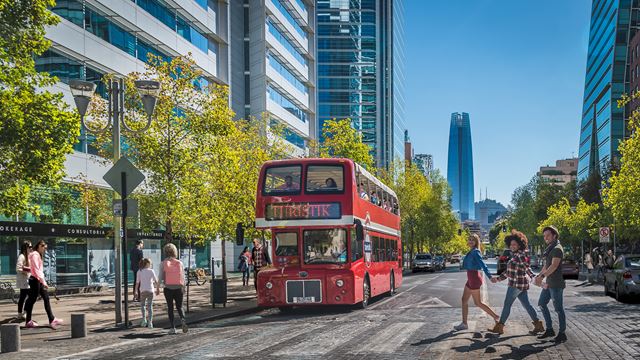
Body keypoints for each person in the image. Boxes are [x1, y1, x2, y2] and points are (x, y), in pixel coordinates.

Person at [489, 231, 544, 335]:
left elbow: (527, 268)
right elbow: (509, 272)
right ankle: (538, 325)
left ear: (519, 244)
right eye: (511, 244)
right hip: (521, 285)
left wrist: (534, 277)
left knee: (507, 305)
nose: (512, 246)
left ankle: (499, 327)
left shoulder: (521, 256)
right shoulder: (515, 255)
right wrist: (498, 279)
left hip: (515, 285)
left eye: (514, 244)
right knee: (527, 305)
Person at [454, 234, 500, 331]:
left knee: (478, 302)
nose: (470, 241)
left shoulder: (475, 252)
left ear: (476, 242)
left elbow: (483, 265)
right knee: (464, 300)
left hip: (474, 278)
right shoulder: (471, 251)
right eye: (469, 239)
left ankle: (496, 317)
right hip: (470, 278)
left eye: (473, 240)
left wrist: (490, 276)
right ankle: (464, 323)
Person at [534, 225, 567, 343]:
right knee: (542, 303)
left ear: (554, 235)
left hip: (556, 284)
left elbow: (554, 266)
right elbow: (546, 266)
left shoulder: (557, 248)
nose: (546, 237)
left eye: (548, 235)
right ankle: (549, 329)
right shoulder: (550, 248)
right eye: (544, 236)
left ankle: (562, 333)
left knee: (558, 309)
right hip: (549, 283)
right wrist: (539, 276)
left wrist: (542, 276)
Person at [24, 240, 63, 329]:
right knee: (32, 300)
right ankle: (28, 321)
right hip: (35, 280)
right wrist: (43, 282)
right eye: (42, 246)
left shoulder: (37, 255)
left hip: (37, 280)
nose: (44, 248)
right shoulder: (35, 255)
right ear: (38, 246)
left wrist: (42, 280)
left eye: (45, 247)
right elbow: (37, 270)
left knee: (46, 298)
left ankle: (52, 319)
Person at [159, 243, 188, 335]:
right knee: (179, 306)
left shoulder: (163, 263)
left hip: (168, 288)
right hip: (178, 287)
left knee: (170, 307)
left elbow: (160, 277)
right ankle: (183, 319)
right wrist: (184, 287)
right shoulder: (179, 263)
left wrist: (157, 287)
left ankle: (172, 327)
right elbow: (183, 276)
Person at [134, 258, 159, 328]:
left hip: (142, 290)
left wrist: (135, 291)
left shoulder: (139, 271)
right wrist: (157, 289)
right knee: (150, 306)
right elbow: (156, 281)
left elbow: (137, 283)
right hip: (150, 290)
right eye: (150, 264)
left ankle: (144, 320)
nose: (151, 265)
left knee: (143, 305)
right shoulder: (151, 271)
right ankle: (150, 322)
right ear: (147, 264)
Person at [16, 240, 32, 320]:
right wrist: (26, 271)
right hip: (23, 280)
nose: (31, 248)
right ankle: (22, 313)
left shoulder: (28, 256)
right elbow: (18, 268)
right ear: (25, 247)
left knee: (26, 296)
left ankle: (23, 313)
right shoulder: (22, 256)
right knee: (25, 297)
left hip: (27, 280)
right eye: (29, 247)